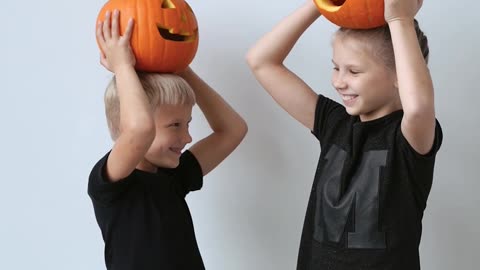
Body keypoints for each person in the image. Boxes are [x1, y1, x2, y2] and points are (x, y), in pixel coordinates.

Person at [246, 0, 442, 269]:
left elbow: (418, 106)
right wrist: (323, 4)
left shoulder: (408, 138)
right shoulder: (333, 123)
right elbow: (260, 61)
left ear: (400, 74)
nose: (338, 81)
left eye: (354, 71)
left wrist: (400, 19)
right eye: (336, 67)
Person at [88, 9, 247, 270]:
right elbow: (140, 130)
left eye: (187, 124)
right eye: (174, 125)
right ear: (124, 125)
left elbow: (233, 130)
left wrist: (183, 69)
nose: (187, 137)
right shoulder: (111, 184)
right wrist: (123, 66)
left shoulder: (173, 176)